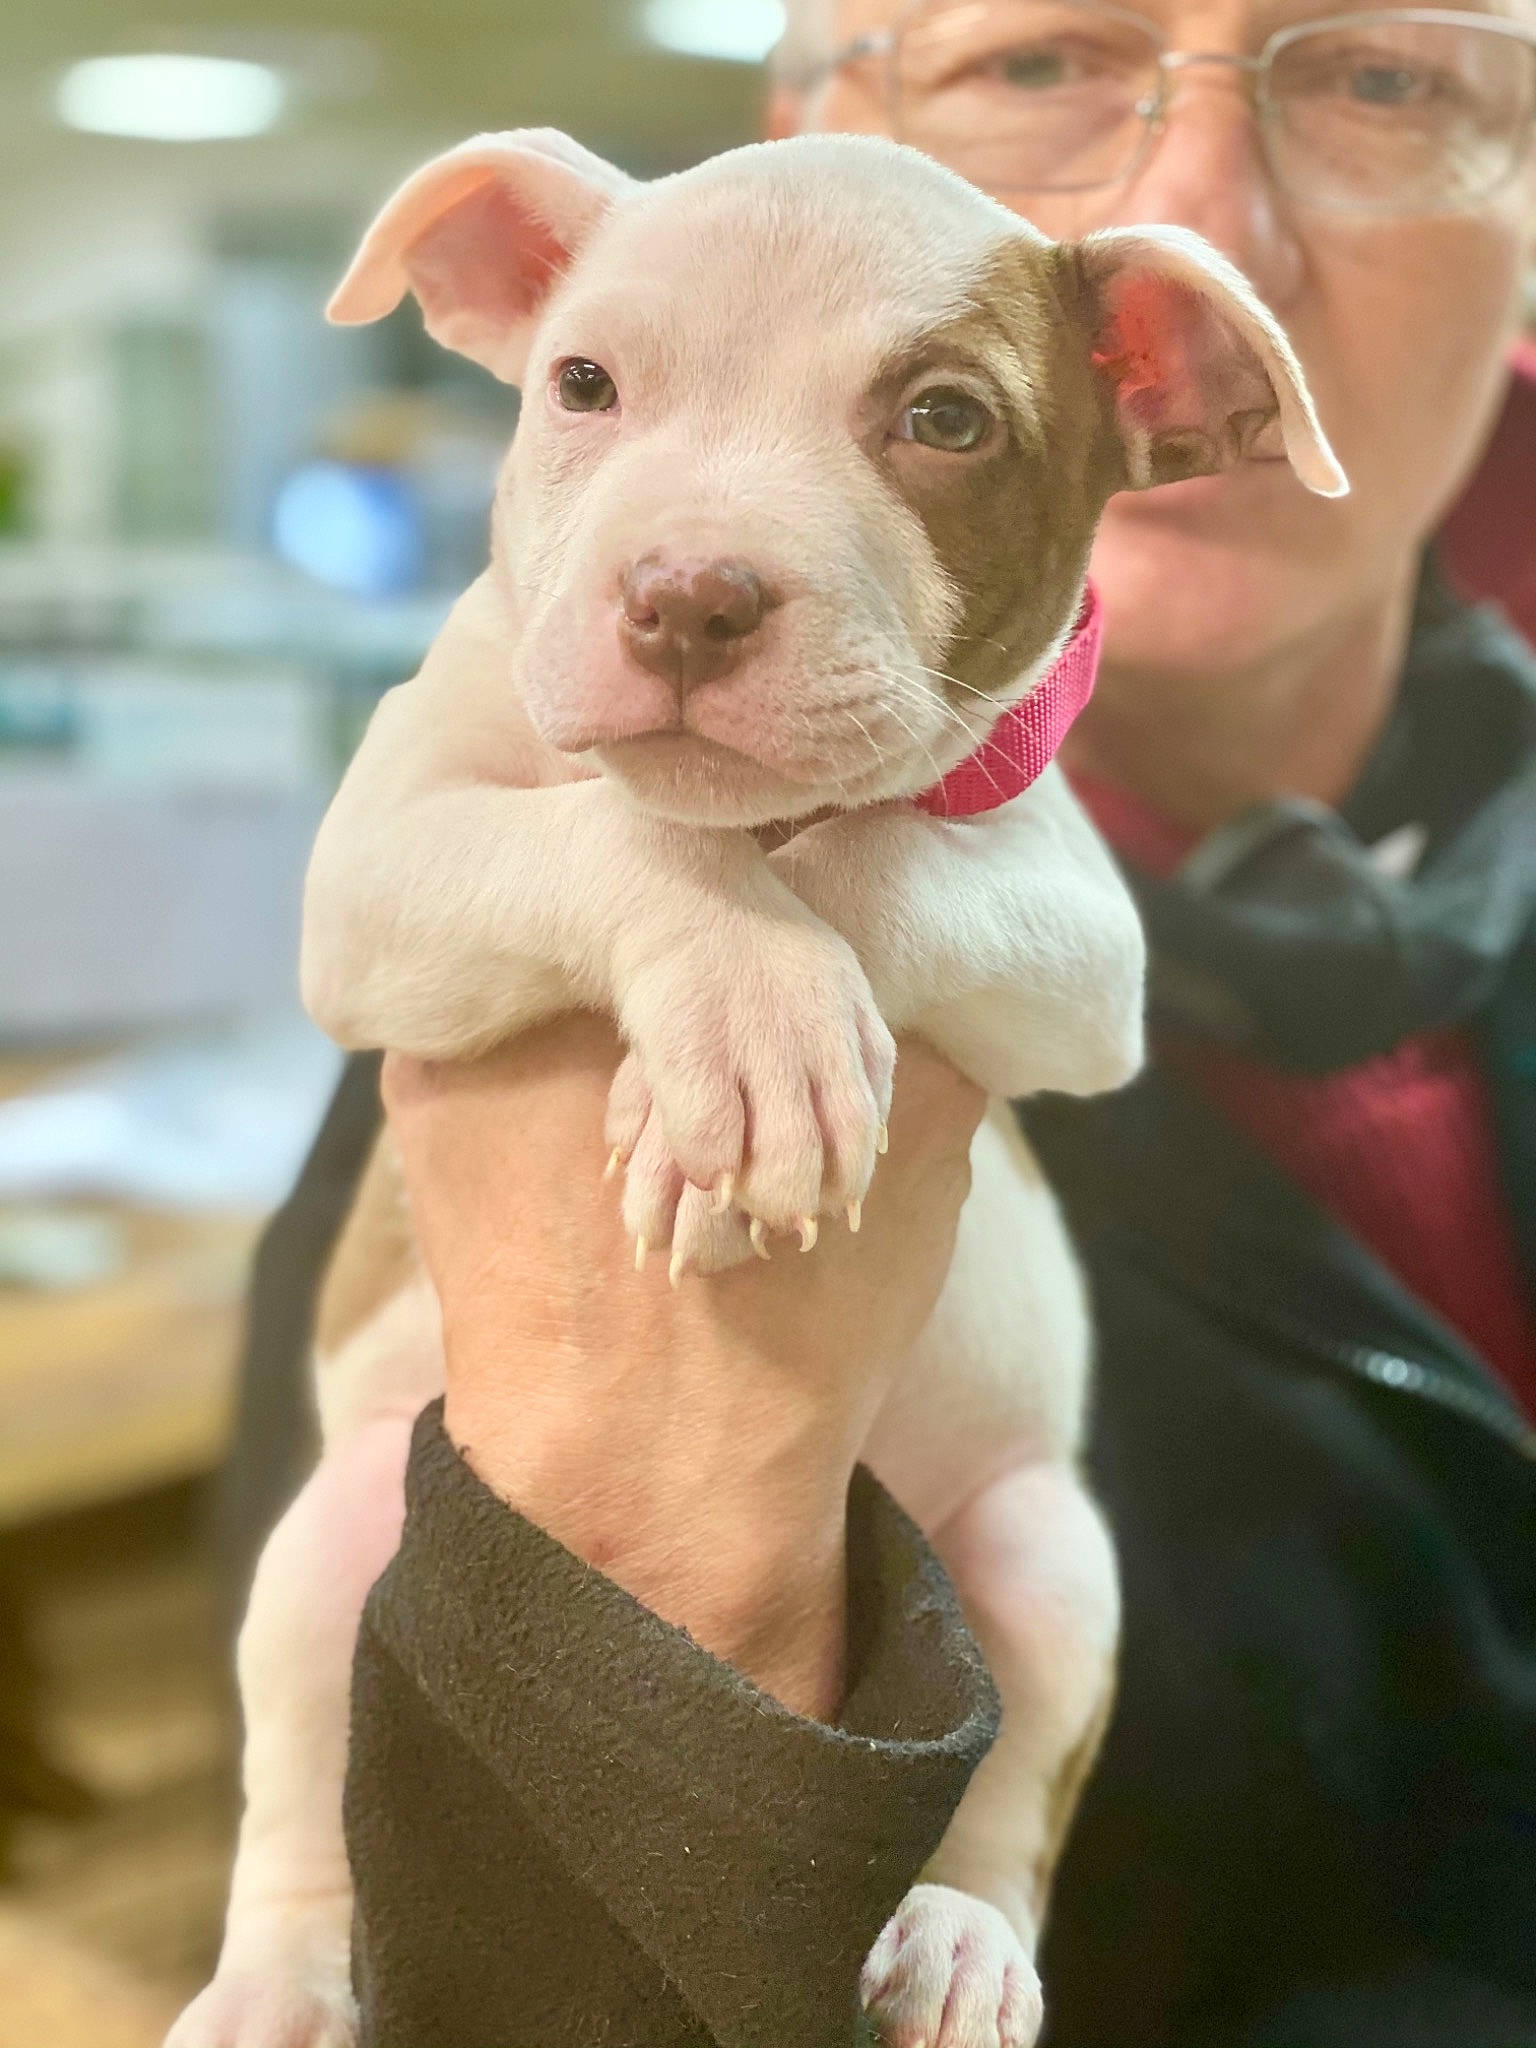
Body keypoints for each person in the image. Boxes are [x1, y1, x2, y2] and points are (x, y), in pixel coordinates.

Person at [224, 1, 1536, 2040]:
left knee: (1043, 1566)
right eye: (1037, 59)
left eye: (1385, 75)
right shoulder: (470, 916)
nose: (1204, 198)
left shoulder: (1219, 877)